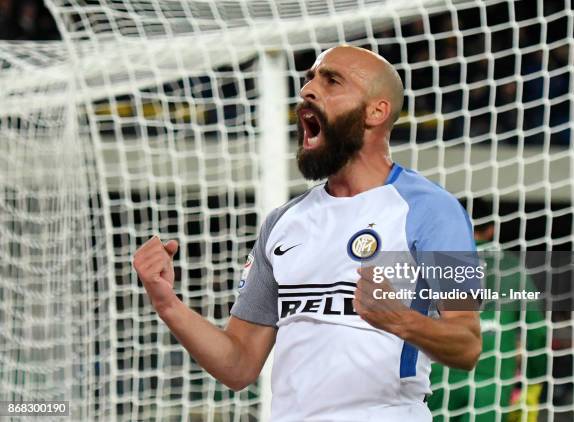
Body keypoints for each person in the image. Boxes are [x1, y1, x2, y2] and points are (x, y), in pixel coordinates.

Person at [133, 45, 482, 422]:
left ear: (376, 111)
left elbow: (467, 345)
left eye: (331, 80)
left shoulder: (433, 211)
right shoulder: (283, 224)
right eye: (309, 79)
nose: (308, 90)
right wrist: (168, 303)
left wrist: (402, 320)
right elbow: (239, 365)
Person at [428, 198, 547, 422]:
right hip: (491, 378)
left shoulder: (433, 262)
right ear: (491, 230)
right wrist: (533, 380)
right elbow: (537, 331)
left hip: (440, 375)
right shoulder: (513, 268)